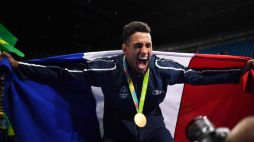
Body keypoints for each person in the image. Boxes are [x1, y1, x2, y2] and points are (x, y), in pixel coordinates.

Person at [0, 21, 254, 142]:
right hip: (117, 132)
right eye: (138, 46)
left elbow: (199, 78)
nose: (144, 51)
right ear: (125, 49)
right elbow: (63, 75)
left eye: (148, 45)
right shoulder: (107, 69)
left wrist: (238, 72)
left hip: (154, 128)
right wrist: (19, 67)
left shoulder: (162, 67)